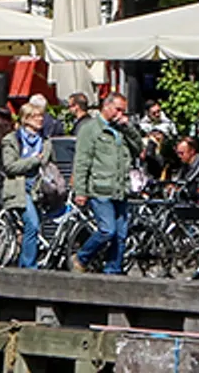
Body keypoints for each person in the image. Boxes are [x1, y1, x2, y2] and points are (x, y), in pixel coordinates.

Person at [72, 92, 141, 274]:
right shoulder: (91, 129)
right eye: (118, 109)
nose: (121, 114)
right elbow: (82, 161)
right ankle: (81, 257)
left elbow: (139, 148)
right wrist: (80, 190)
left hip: (120, 189)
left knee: (120, 235)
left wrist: (129, 128)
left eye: (123, 111)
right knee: (107, 230)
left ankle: (113, 271)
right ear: (106, 106)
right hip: (100, 188)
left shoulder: (121, 129)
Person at [0, 100, 54, 267]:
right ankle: (29, 266)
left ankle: (27, 261)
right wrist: (33, 161)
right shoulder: (12, 140)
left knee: (41, 225)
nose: (40, 119)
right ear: (26, 119)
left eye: (41, 116)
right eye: (36, 116)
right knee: (32, 224)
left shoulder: (45, 141)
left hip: (40, 189)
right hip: (19, 189)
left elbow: (48, 163)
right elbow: (10, 166)